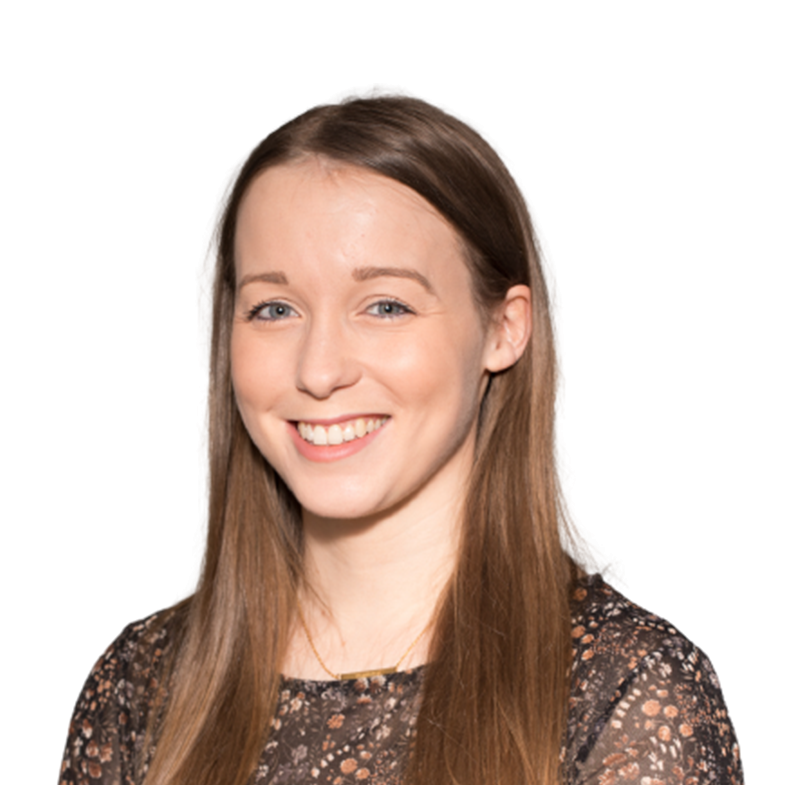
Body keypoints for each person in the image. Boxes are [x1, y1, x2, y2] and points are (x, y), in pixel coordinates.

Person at [60, 98, 743, 785]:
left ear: (504, 329)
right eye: (274, 308)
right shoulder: (143, 686)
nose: (318, 370)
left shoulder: (620, 689)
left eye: (385, 306)